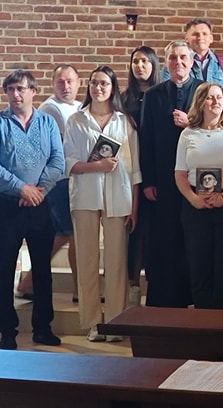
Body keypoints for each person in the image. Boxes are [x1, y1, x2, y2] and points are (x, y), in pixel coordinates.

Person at [63, 66, 138, 341]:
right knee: (87, 259)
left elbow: (135, 168)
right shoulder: (76, 120)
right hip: (85, 196)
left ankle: (116, 321)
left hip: (119, 196)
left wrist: (135, 207)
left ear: (113, 87)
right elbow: (68, 163)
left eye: (104, 83)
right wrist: (97, 166)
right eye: (94, 83)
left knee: (117, 261)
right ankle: (93, 322)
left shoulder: (124, 121)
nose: (98, 88)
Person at [0, 70, 64, 350]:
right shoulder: (1, 122)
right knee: (4, 269)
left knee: (42, 269)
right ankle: (7, 331)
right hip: (7, 206)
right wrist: (21, 188)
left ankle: (43, 328)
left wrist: (38, 191)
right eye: (11, 89)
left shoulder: (47, 122)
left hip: (40, 204)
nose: (16, 94)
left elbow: (58, 160)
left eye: (21, 88)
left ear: (33, 91)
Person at [174, 82, 223, 309]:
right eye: (209, 97)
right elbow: (180, 173)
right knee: (199, 264)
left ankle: (221, 317)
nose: (215, 101)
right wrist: (193, 198)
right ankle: (202, 317)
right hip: (196, 205)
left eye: (219, 97)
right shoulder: (188, 134)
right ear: (200, 103)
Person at [139, 41, 199, 308]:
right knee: (165, 239)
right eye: (173, 58)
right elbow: (146, 138)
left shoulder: (204, 91)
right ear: (166, 62)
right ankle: (165, 300)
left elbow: (217, 129)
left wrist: (191, 123)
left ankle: (192, 296)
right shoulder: (153, 95)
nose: (178, 62)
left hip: (196, 179)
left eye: (183, 57)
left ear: (192, 61)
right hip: (163, 178)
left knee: (191, 239)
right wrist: (149, 180)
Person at [18, 65, 81, 302]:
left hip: (75, 179)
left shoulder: (79, 107)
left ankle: (29, 282)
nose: (66, 86)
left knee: (65, 234)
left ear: (78, 83)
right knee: (70, 234)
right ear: (52, 83)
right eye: (60, 82)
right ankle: (78, 290)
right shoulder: (50, 109)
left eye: (70, 81)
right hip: (59, 181)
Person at [120, 46, 160, 306]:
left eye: (145, 61)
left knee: (155, 233)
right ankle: (132, 288)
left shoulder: (162, 94)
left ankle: (157, 288)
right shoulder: (123, 99)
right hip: (129, 172)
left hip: (156, 171)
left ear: (154, 65)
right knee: (134, 232)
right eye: (136, 61)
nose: (140, 66)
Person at [179, 18, 223, 118]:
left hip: (219, 124)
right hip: (188, 124)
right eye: (195, 34)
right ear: (186, 38)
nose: (200, 37)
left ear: (211, 38)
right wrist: (189, 119)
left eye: (204, 34)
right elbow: (170, 96)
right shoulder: (177, 64)